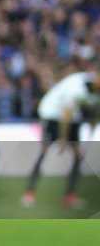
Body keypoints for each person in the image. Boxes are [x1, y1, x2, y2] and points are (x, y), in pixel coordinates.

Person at [21, 69, 100, 210]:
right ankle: (29, 192)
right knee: (44, 151)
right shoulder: (76, 88)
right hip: (53, 114)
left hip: (73, 117)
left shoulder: (94, 91)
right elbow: (66, 116)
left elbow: (95, 110)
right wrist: (63, 141)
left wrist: (93, 127)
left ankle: (69, 196)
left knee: (78, 156)